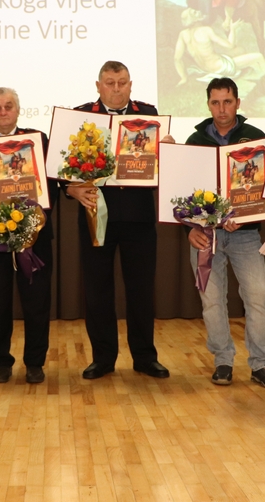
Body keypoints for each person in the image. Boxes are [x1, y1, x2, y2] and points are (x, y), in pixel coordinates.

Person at [67, 61, 170, 379]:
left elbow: (163, 161)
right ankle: (103, 358)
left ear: (130, 84)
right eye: (109, 83)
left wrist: (167, 149)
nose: (116, 88)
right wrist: (71, 189)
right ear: (98, 86)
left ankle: (144, 357)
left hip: (138, 216)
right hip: (95, 213)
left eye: (122, 82)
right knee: (97, 290)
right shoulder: (81, 115)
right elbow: (61, 165)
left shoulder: (148, 114)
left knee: (141, 290)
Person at [184, 77, 265, 388]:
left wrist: (249, 214)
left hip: (246, 234)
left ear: (238, 103)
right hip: (205, 235)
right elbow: (182, 193)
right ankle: (223, 361)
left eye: (227, 101)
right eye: (215, 102)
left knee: (257, 296)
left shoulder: (256, 139)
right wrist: (189, 228)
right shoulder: (195, 141)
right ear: (208, 104)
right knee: (211, 300)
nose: (222, 108)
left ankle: (260, 364)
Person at [0, 87, 55, 384]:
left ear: (18, 110)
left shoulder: (37, 141)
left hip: (34, 237)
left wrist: (35, 218)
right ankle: (1, 362)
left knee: (37, 302)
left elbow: (52, 187)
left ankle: (35, 363)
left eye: (9, 106)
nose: (3, 111)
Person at [174, 7, 265, 89]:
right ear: (193, 19)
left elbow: (177, 59)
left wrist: (183, 77)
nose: (199, 12)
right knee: (259, 57)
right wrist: (233, 29)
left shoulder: (183, 34)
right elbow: (229, 44)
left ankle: (254, 70)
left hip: (205, 67)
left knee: (240, 50)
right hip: (220, 67)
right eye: (195, 13)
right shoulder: (206, 30)